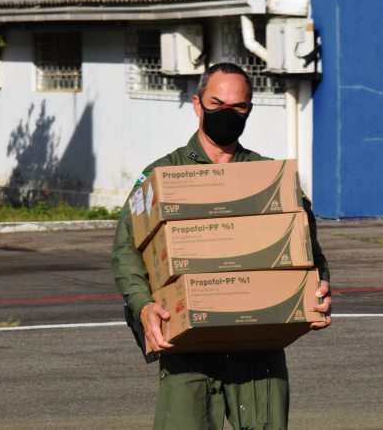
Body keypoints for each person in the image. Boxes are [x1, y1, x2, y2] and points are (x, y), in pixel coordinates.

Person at [111, 62, 332, 430]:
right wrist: (145, 304)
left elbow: (307, 246)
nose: (227, 114)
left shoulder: (270, 178)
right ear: (197, 105)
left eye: (238, 107)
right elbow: (125, 250)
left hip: (258, 345)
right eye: (217, 103)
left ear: (249, 109)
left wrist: (320, 284)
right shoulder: (159, 177)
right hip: (187, 346)